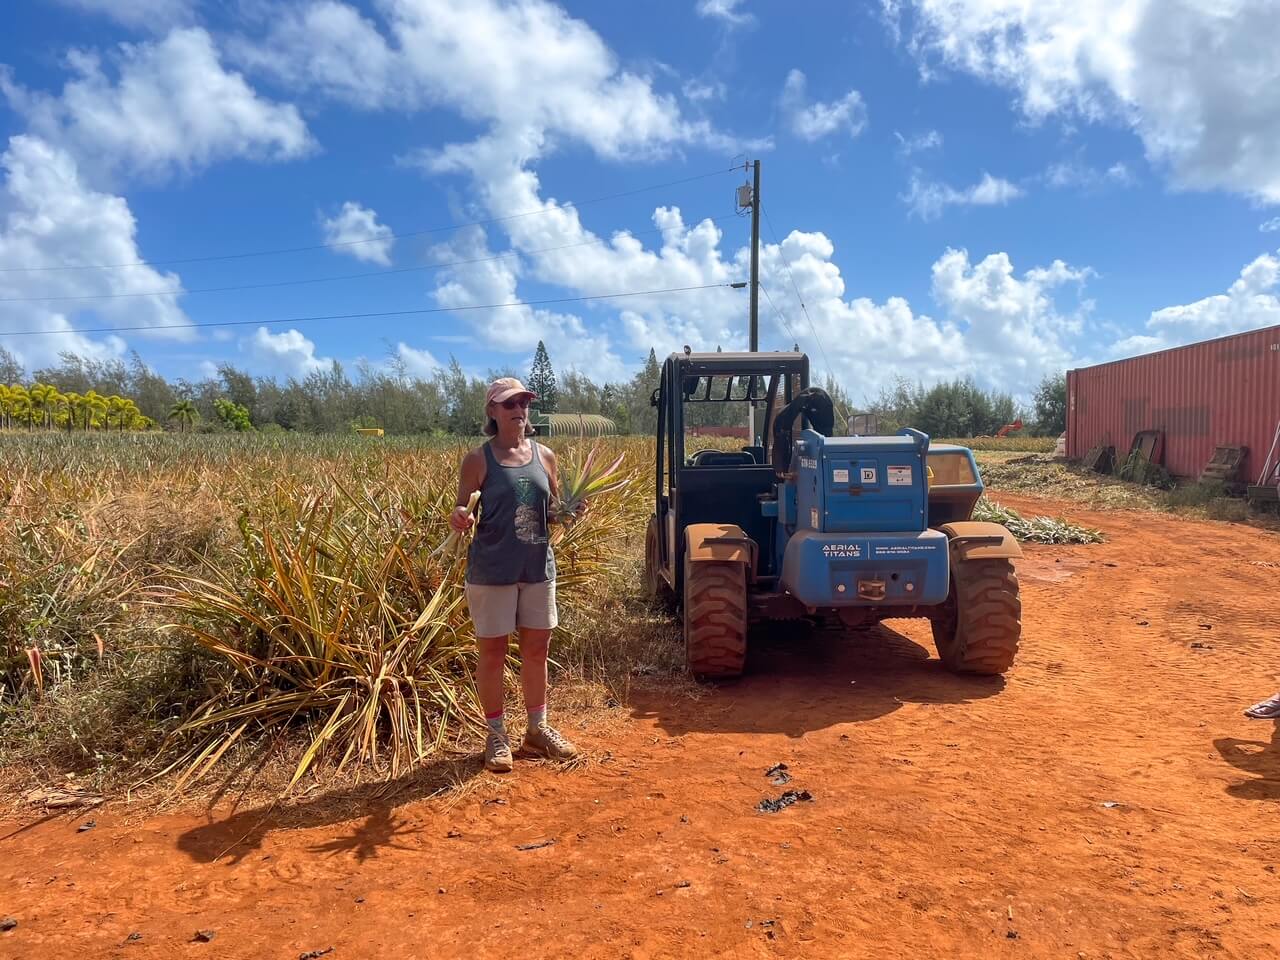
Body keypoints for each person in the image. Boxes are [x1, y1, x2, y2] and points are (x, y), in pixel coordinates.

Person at [450, 377, 581, 773]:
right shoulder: (478, 460)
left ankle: (537, 730)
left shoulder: (545, 456)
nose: (519, 410)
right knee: (492, 654)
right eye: (509, 404)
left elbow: (556, 510)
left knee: (536, 650)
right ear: (492, 411)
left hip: (537, 569)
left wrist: (573, 509)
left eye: (523, 403)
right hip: (492, 572)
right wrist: (460, 517)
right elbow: (461, 512)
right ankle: (496, 735)